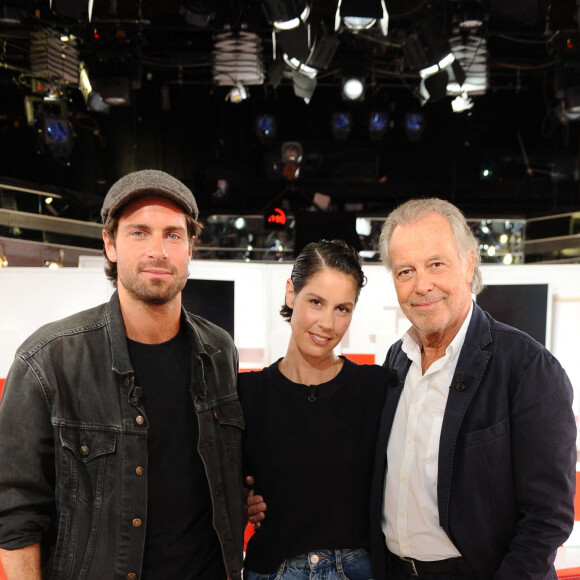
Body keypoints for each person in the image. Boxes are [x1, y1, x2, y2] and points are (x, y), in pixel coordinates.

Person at [0, 170, 245, 580]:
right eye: (139, 233)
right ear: (110, 245)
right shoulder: (47, 360)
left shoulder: (220, 351)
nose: (158, 250)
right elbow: (15, 511)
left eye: (172, 234)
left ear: (190, 248)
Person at [369, 198, 576, 579]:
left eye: (436, 264)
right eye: (405, 271)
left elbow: (548, 518)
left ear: (469, 262)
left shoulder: (529, 368)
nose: (421, 286)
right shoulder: (396, 359)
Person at [239, 239, 388, 580]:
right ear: (291, 293)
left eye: (342, 309)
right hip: (273, 569)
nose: (327, 323)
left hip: (357, 569)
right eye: (316, 302)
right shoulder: (248, 393)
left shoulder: (375, 388)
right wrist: (242, 501)